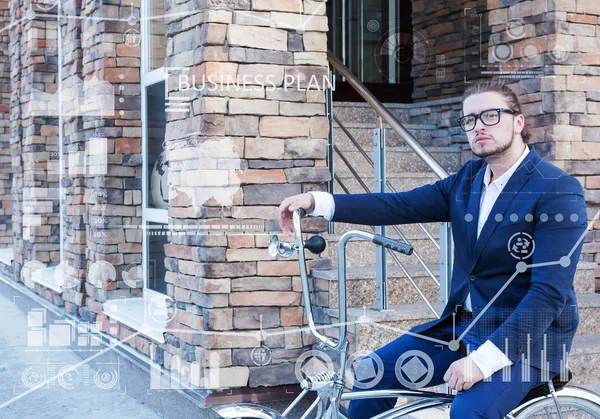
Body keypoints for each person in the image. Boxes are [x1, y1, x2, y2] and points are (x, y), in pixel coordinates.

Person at [277, 81, 588, 419]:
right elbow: (396, 205)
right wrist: (317, 201)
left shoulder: (557, 189)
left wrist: (483, 362)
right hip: (463, 327)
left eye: (491, 115)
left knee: (468, 413)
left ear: (518, 122)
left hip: (528, 342)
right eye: (469, 120)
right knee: (371, 374)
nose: (478, 126)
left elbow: (549, 293)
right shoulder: (468, 179)